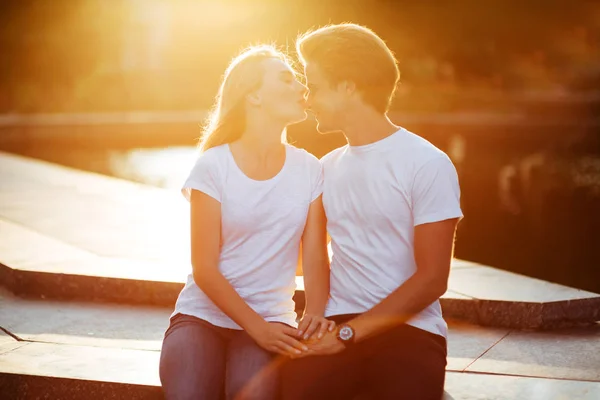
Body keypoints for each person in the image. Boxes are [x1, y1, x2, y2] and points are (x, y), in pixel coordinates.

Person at [281, 24, 463, 400]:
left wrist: (348, 336)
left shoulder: (427, 163)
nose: (307, 99)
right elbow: (308, 259)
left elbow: (432, 279)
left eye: (314, 86)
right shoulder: (325, 167)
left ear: (348, 87)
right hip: (336, 322)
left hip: (411, 331)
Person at [159, 45, 333, 400]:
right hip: (201, 317)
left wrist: (313, 314)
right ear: (253, 94)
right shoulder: (213, 165)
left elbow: (315, 258)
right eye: (287, 79)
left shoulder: (311, 169)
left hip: (274, 319)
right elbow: (204, 268)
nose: (302, 88)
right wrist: (257, 328)